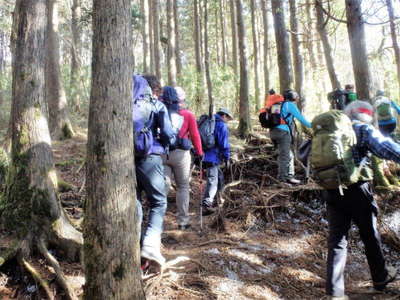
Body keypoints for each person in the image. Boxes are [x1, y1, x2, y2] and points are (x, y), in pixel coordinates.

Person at [322, 100, 398, 299]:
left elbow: (306, 154)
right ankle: (380, 279)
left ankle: (334, 293)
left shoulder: (329, 130)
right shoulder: (362, 129)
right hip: (357, 190)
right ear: (367, 115)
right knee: (369, 234)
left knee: (337, 240)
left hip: (331, 189)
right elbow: (386, 149)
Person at [133, 74, 175, 268]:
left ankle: (137, 244)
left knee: (136, 201)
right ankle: (150, 245)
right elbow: (167, 133)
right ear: (155, 90)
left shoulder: (130, 100)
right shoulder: (157, 104)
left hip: (126, 158)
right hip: (149, 157)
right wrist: (166, 144)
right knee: (159, 201)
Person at [161, 86, 203, 230]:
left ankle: (158, 219)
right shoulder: (188, 115)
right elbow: (195, 135)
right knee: (183, 187)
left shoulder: (160, 110)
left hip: (162, 153)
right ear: (181, 100)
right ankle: (183, 221)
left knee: (163, 185)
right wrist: (200, 152)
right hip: (181, 154)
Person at [269, 89, 311, 185]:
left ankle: (289, 176)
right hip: (283, 133)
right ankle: (282, 180)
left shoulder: (277, 104)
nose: (297, 97)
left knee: (289, 155)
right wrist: (314, 125)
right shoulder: (290, 105)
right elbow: (301, 119)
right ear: (292, 96)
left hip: (273, 133)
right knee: (285, 156)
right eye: (296, 95)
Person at [201, 108, 232, 216]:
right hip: (213, 157)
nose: (228, 120)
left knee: (219, 177)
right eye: (228, 118)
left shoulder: (209, 122)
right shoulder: (221, 125)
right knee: (213, 181)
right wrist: (227, 157)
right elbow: (224, 144)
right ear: (224, 115)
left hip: (204, 156)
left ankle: (218, 200)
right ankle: (206, 205)